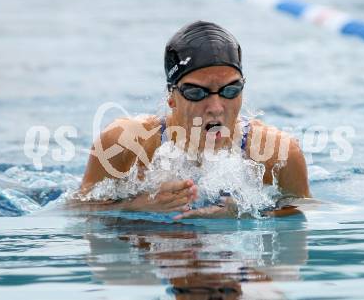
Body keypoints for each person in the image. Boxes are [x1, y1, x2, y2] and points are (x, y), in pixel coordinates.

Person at [79, 21, 310, 219]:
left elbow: (307, 212)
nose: (216, 108)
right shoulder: (124, 143)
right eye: (197, 93)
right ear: (171, 98)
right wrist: (138, 206)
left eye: (230, 90)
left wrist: (246, 214)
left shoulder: (278, 154)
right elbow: (75, 210)